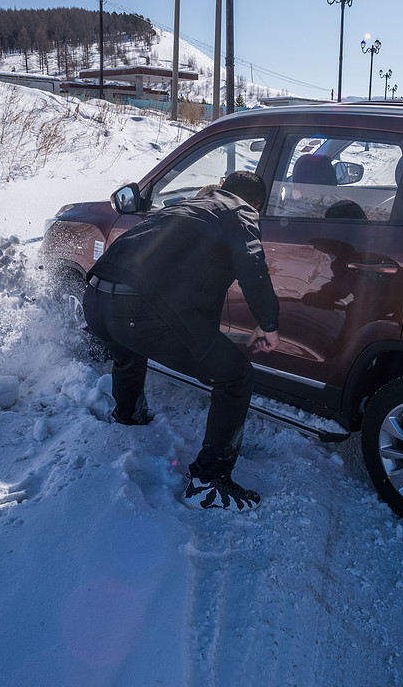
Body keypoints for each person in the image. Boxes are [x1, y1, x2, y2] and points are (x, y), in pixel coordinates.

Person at [82, 170, 280, 512]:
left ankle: (128, 418)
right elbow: (252, 266)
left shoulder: (189, 205)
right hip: (138, 309)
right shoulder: (239, 209)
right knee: (236, 376)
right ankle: (208, 483)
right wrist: (269, 323)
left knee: (128, 350)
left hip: (97, 299)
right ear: (256, 203)